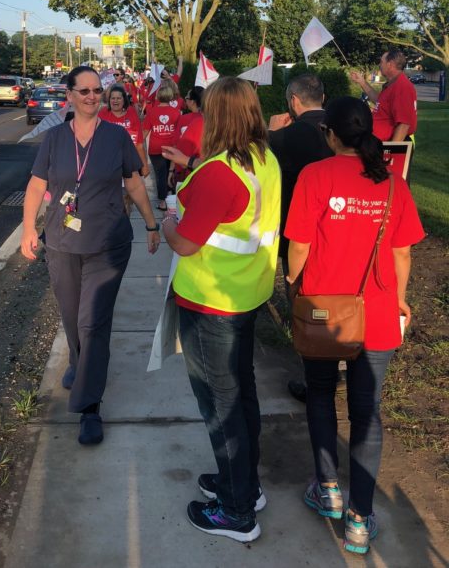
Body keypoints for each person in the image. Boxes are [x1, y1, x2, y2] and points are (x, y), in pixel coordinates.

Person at [285, 96, 424, 555]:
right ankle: (360, 520)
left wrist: (292, 281)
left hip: (324, 311)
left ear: (330, 134)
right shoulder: (392, 182)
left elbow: (299, 245)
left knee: (320, 393)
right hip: (378, 313)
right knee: (367, 411)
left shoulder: (315, 176)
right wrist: (400, 297)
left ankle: (328, 489)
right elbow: (403, 252)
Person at [161, 77, 281, 543]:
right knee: (241, 395)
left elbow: (186, 242)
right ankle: (244, 485)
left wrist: (169, 222)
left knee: (220, 406)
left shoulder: (219, 173)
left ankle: (236, 511)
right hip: (245, 295)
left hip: (212, 303)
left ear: (218, 117)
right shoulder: (263, 159)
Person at [21, 66, 161, 446]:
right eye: (83, 91)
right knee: (71, 317)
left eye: (97, 90)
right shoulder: (54, 138)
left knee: (92, 322)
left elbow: (134, 182)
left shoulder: (116, 136)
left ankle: (89, 407)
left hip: (107, 245)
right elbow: (35, 185)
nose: (92, 97)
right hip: (62, 243)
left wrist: (151, 224)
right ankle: (78, 361)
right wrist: (29, 228)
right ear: (69, 95)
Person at [267, 74, 334, 402]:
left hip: (298, 231)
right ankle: (342, 354)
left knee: (301, 298)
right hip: (343, 227)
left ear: (293, 101)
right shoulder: (342, 129)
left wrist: (270, 132)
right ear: (323, 97)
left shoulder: (285, 137)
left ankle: (314, 373)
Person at [350, 49, 417, 142]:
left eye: (381, 62)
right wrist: (362, 82)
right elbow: (379, 101)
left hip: (382, 145)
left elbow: (404, 125)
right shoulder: (392, 84)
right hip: (374, 140)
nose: (379, 65)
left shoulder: (402, 86)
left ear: (390, 64)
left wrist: (392, 150)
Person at [142, 80, 181, 210]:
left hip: (155, 148)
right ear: (171, 96)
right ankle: (172, 198)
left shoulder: (152, 112)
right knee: (171, 173)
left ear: (158, 96)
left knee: (160, 175)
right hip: (172, 147)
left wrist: (138, 147)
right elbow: (179, 132)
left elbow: (144, 133)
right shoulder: (176, 112)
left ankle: (163, 201)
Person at [166, 85, 204, 187]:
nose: (185, 100)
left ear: (192, 102)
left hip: (185, 170)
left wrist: (171, 170)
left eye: (186, 98)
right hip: (204, 168)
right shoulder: (211, 119)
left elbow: (176, 146)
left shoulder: (184, 119)